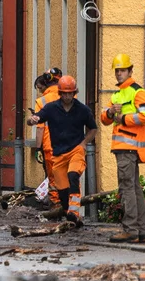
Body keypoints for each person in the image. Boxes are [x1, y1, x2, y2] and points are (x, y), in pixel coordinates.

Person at [26, 75, 96, 226]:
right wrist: (32, 120)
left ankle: (74, 212)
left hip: (76, 150)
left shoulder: (82, 110)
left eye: (70, 93)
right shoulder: (51, 108)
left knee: (73, 175)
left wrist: (84, 143)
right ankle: (70, 215)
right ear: (60, 93)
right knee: (62, 191)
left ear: (74, 93)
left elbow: (93, 129)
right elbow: (35, 118)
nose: (67, 96)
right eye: (64, 93)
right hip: (58, 154)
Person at [101, 53, 145, 244]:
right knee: (134, 189)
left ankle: (130, 230)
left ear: (131, 70)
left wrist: (123, 118)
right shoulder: (117, 94)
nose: (119, 74)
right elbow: (104, 119)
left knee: (127, 189)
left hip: (128, 148)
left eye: (122, 70)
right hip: (123, 148)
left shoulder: (137, 92)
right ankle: (141, 231)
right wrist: (110, 112)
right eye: (117, 71)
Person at [31, 68, 62, 186]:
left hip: (51, 146)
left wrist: (38, 148)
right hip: (70, 145)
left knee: (53, 180)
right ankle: (71, 204)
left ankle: (56, 204)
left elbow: (40, 128)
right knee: (69, 180)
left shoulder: (42, 101)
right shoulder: (70, 97)